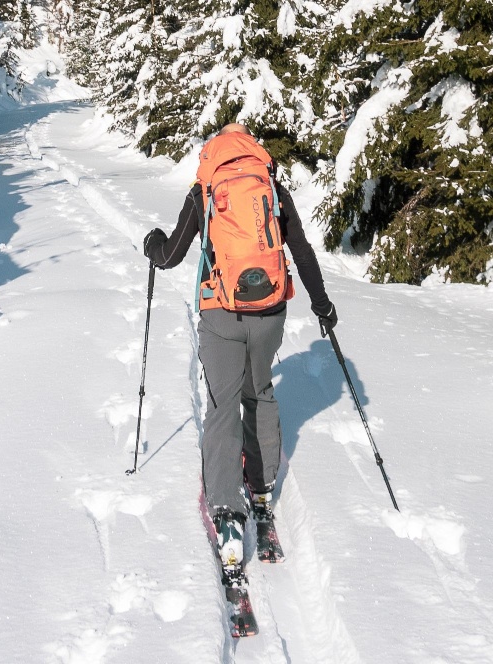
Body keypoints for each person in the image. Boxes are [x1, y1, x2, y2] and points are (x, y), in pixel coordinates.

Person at [142, 123, 337, 573]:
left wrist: (153, 244)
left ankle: (227, 513)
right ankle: (263, 485)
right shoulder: (269, 186)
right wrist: (323, 306)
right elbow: (302, 252)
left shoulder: (204, 191)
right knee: (261, 390)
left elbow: (170, 256)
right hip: (270, 312)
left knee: (223, 405)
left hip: (222, 314)